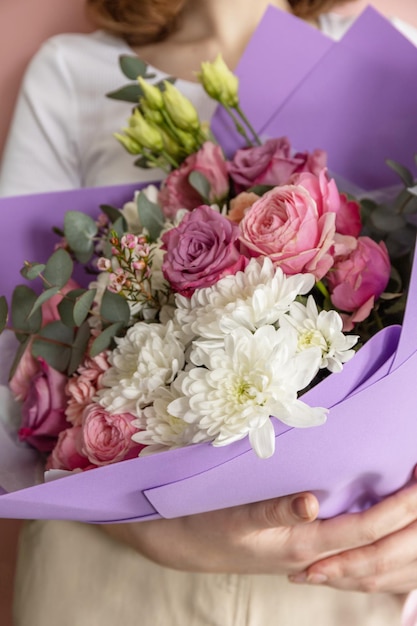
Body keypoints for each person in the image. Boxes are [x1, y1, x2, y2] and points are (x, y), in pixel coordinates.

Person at [2, 1, 417, 625]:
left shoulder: (387, 54)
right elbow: (14, 365)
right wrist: (155, 532)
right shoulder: (69, 72)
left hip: (341, 577)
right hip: (115, 569)